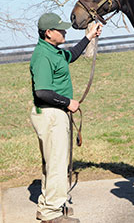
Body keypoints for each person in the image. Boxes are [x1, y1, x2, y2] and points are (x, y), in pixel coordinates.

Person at [29, 13, 102, 223]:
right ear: (48, 33)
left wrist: (89, 37)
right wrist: (67, 102)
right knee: (57, 165)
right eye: (60, 29)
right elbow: (42, 91)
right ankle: (52, 213)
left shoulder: (53, 51)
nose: (64, 31)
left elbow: (72, 54)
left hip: (54, 113)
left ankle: (48, 206)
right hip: (51, 114)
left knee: (52, 163)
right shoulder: (43, 56)